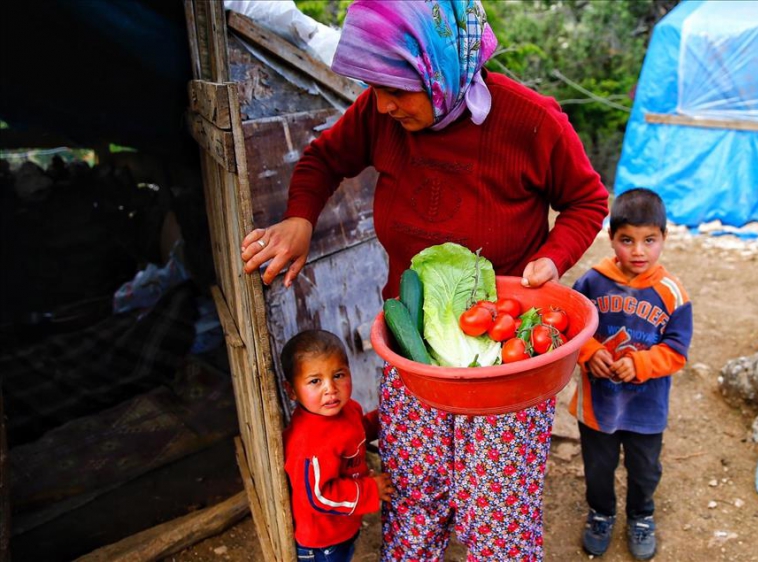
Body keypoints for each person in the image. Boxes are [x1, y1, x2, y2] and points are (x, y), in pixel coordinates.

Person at [240, 1, 608, 559]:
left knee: (496, 512)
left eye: (396, 89)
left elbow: (586, 201)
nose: (382, 104)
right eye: (374, 87)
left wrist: (553, 259)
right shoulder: (376, 114)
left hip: (504, 353)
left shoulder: (531, 121)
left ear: (442, 67)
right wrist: (299, 218)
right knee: (415, 491)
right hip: (415, 350)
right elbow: (320, 160)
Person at [569, 188, 693, 560]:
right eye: (627, 240)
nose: (638, 251)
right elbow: (573, 327)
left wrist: (640, 364)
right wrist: (589, 353)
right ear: (611, 238)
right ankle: (601, 513)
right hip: (599, 401)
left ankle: (641, 516)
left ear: (664, 239)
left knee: (644, 469)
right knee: (598, 466)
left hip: (645, 408)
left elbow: (676, 350)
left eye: (649, 240)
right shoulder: (591, 283)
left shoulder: (672, 294)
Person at [280, 329, 395, 562]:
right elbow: (319, 495)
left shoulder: (348, 409)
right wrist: (370, 490)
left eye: (338, 375)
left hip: (342, 523)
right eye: (315, 381)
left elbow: (355, 432)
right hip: (322, 540)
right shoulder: (309, 441)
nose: (330, 389)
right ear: (291, 390)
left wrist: (387, 420)